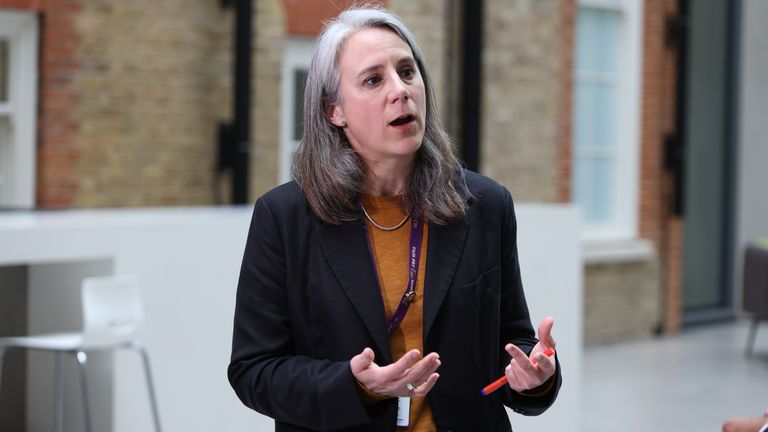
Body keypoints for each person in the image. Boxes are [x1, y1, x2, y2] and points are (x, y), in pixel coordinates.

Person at [228, 6, 562, 431]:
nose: (400, 90)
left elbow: (512, 343)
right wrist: (355, 385)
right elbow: (253, 370)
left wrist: (535, 378)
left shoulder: (485, 205)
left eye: (407, 71)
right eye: (373, 80)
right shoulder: (285, 218)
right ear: (335, 111)